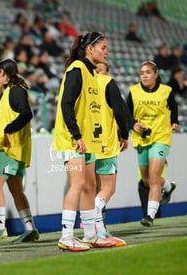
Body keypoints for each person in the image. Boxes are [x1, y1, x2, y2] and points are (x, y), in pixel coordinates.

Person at [53, 32, 116, 252]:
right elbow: (66, 104)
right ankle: (66, 236)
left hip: (87, 140)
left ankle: (91, 235)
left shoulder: (91, 73)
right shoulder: (77, 69)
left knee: (90, 186)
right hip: (72, 139)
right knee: (78, 184)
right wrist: (77, 135)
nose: (107, 52)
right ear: (90, 49)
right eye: (103, 48)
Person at [0, 58, 39, 243]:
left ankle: (0, 228)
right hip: (15, 149)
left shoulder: (14, 91)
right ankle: (29, 227)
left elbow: (26, 113)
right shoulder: (16, 90)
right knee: (16, 188)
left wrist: (8, 130)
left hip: (9, 150)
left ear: (2, 73)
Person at [126, 60, 179, 227]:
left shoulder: (166, 91)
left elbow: (174, 106)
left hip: (161, 137)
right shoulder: (133, 92)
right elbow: (127, 115)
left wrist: (175, 121)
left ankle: (149, 216)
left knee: (154, 177)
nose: (145, 75)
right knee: (146, 179)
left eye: (148, 72)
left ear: (156, 75)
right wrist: (134, 124)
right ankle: (169, 186)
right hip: (141, 139)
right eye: (142, 73)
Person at [93, 62, 133, 247]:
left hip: (85, 143)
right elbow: (121, 111)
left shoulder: (83, 84)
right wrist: (124, 135)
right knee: (108, 188)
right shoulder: (108, 83)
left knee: (93, 189)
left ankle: (96, 228)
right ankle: (98, 226)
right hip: (106, 143)